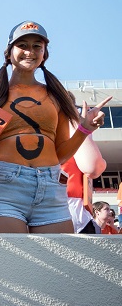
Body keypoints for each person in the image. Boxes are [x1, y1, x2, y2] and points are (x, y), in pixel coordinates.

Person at [0, 21, 110, 234]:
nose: (30, 52)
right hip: (5, 187)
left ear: (44, 53)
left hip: (50, 188)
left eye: (37, 46)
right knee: (14, 263)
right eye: (23, 45)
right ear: (9, 51)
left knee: (59, 261)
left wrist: (84, 129)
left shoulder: (56, 95)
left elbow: (59, 155)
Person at [62, 93, 107, 234]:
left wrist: (80, 127)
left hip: (72, 207)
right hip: (45, 206)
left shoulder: (73, 127)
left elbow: (93, 168)